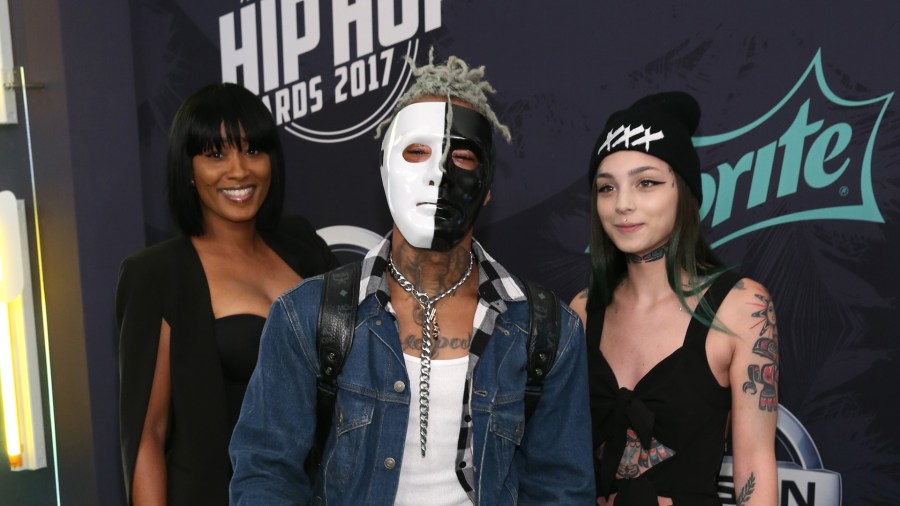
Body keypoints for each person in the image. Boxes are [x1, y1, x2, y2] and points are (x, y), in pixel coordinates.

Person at [229, 51, 595, 505]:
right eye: (417, 151)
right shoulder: (307, 317)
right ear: (384, 172)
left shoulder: (546, 331)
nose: (438, 176)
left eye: (462, 157)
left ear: (487, 192)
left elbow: (561, 489)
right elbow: (266, 474)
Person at [116, 82, 338, 505]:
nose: (239, 170)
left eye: (253, 150)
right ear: (188, 168)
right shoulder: (156, 274)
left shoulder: (302, 243)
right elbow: (148, 434)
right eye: (216, 154)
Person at [569, 92, 779, 505]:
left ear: (684, 192)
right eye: (606, 188)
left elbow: (755, 464)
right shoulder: (581, 311)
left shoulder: (743, 308)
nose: (623, 204)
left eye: (646, 183)